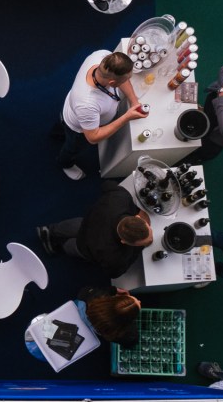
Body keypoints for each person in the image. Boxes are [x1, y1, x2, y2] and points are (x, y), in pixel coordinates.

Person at [55, 50, 148, 180]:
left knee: (60, 129)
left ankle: (57, 131)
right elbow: (93, 138)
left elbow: (122, 78)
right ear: (112, 83)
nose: (128, 80)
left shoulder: (104, 56)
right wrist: (127, 117)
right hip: (78, 129)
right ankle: (65, 163)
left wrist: (133, 100)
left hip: (74, 109)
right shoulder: (87, 104)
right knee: (72, 148)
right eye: (127, 79)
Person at [36, 179, 153, 278]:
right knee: (72, 247)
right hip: (84, 245)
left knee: (76, 226)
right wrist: (139, 248)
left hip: (90, 221)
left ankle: (50, 230)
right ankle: (57, 245)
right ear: (124, 241)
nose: (151, 237)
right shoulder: (115, 257)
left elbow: (107, 184)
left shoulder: (121, 197)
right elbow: (114, 273)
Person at [75, 286, 141, 346]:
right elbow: (133, 340)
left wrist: (114, 290)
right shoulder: (117, 333)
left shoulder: (93, 296)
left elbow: (83, 292)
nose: (139, 301)